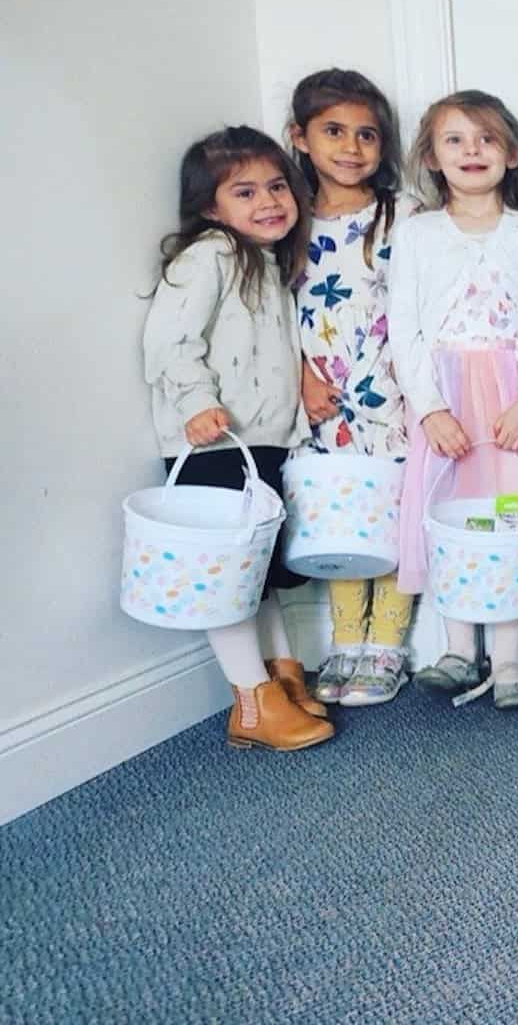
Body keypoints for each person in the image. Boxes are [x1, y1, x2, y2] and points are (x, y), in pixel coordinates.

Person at [141, 127, 331, 750]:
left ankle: (280, 678)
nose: (268, 201)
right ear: (209, 207)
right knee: (227, 579)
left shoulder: (268, 263)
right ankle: (251, 702)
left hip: (262, 443)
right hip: (215, 442)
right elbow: (169, 339)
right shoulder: (211, 257)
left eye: (277, 186)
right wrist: (196, 402)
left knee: (258, 575)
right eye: (244, 192)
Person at [391, 91, 518, 712]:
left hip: (511, 401)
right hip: (448, 403)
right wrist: (431, 408)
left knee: (512, 517)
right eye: (454, 140)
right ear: (432, 157)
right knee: (451, 518)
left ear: (511, 154)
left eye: (486, 139)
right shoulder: (419, 234)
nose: (471, 151)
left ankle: (509, 658)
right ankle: (460, 649)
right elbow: (402, 326)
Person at [284, 68, 415, 708]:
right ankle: (342, 641)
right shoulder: (288, 222)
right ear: (299, 138)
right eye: (334, 131)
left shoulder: (403, 215)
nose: (352, 146)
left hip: (391, 388)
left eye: (367, 134)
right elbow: (275, 310)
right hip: (323, 399)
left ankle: (385, 645)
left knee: (391, 511)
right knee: (339, 516)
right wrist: (301, 374)